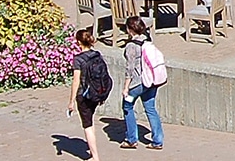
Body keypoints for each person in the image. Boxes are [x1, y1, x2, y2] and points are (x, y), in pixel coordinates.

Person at [120, 17, 164, 150]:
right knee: (150, 109)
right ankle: (157, 140)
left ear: (129, 30)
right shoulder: (148, 40)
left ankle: (131, 139)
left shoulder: (131, 46)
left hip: (137, 84)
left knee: (127, 106)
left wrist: (126, 87)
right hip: (151, 81)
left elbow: (130, 69)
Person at [68, 28, 111, 159]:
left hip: (84, 95)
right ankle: (93, 151)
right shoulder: (97, 54)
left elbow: (76, 81)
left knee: (87, 125)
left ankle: (95, 156)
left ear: (79, 43)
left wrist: (71, 101)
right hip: (96, 93)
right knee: (90, 121)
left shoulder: (78, 59)